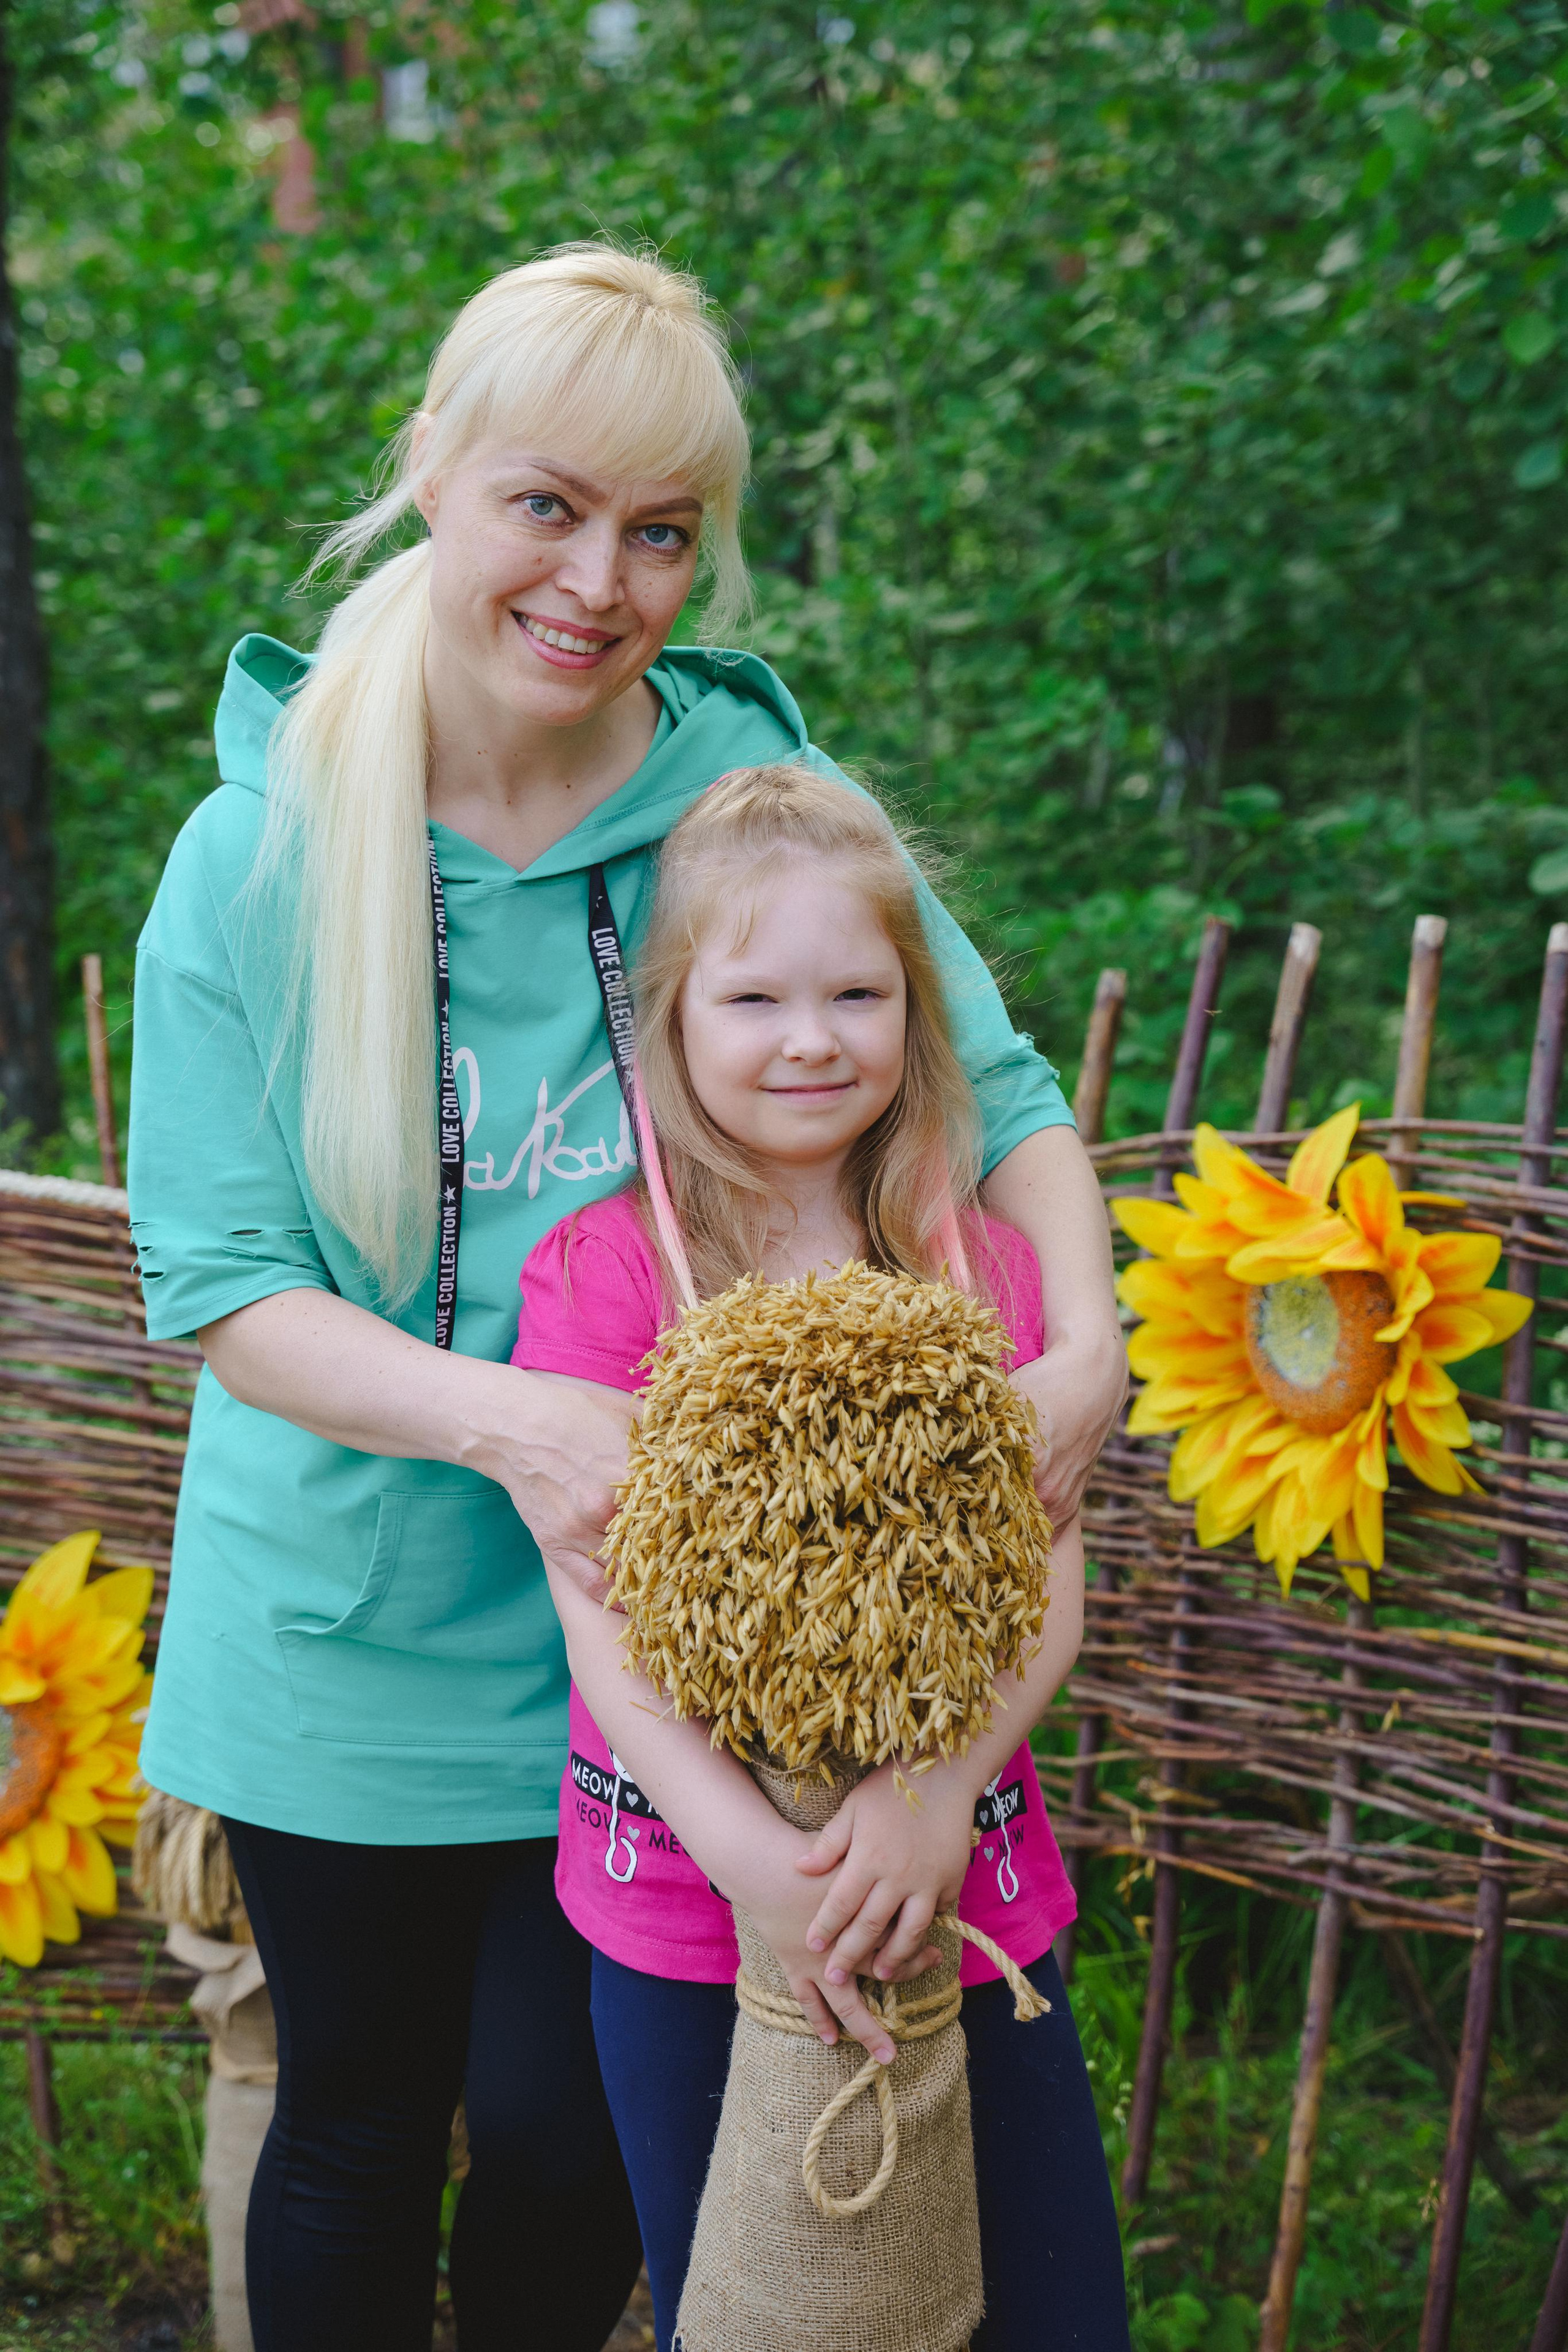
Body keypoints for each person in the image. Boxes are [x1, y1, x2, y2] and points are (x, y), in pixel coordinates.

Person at [127, 243, 1126, 2352]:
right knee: (360, 2130)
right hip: (362, 1618)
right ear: (432, 471)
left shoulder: (738, 809)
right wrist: (519, 1421)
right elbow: (224, 1285)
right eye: (550, 505)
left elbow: (1002, 1091)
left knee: (579, 2137)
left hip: (691, 1641)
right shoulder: (255, 853)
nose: (601, 578)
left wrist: (1096, 1351)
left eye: (663, 532)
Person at [511, 761, 1130, 2352]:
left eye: (858, 992)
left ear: (916, 1020)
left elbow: (1042, 1590)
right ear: (671, 1023)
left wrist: (926, 1804)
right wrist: (755, 1865)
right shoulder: (605, 1282)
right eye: (757, 997)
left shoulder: (976, 1271)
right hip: (689, 1901)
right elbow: (603, 1621)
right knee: (762, 2305)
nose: (811, 1038)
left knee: (1049, 2310)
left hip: (968, 1882)